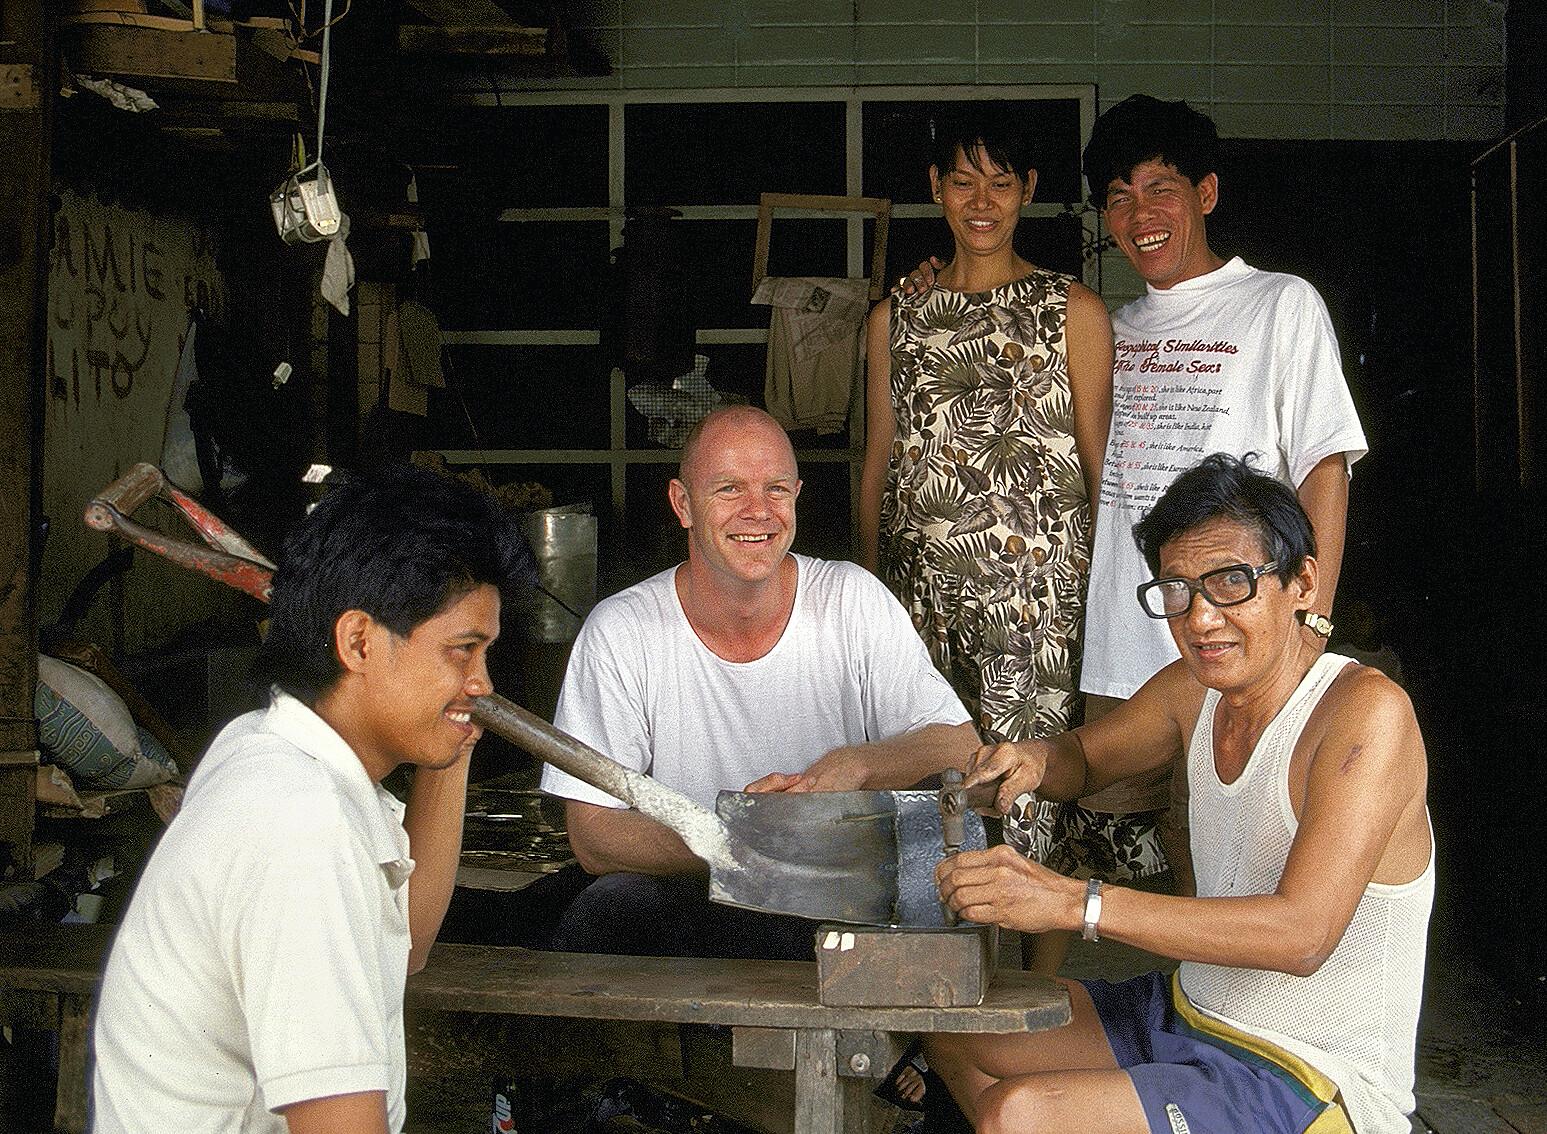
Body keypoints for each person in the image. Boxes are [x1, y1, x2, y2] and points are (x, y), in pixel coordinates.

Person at [902, 94, 1369, 897]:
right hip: (1121, 646)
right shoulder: (1106, 324)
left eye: (1161, 188)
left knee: (1252, 844)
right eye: (1118, 197)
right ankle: (1186, 1001)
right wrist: (930, 284)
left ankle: (1227, 1013)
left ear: (1206, 194)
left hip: (1238, 632)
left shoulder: (1278, 304)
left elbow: (1322, 468)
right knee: (1160, 850)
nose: (1139, 214)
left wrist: (1311, 617)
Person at [927, 454, 1432, 1134]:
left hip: (1308, 1074)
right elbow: (1081, 758)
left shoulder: (1363, 713)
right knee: (943, 1017)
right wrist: (1031, 761)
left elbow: (1302, 934)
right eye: (1177, 589)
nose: (1198, 619)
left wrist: (1069, 903)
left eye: (1230, 582)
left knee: (1018, 1115)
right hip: (1184, 1013)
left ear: (1301, 584)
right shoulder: (1191, 691)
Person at [93, 467, 532, 1134]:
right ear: (358, 641)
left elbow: (402, 943)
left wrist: (452, 727)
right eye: (461, 651)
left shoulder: (271, 751)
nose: (482, 682)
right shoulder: (299, 824)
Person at [541, 405, 978, 960]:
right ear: (683, 504)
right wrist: (736, 836)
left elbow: (961, 746)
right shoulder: (622, 630)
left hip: (834, 901)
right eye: (728, 489)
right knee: (603, 911)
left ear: (797, 495)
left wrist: (861, 764)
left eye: (776, 489)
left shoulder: (852, 601)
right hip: (692, 897)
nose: (758, 512)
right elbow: (593, 836)